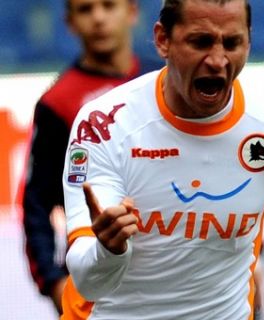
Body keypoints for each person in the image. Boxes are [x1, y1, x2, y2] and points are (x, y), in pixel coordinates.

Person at [61, 0, 264, 319]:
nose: (217, 60)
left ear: (249, 42)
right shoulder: (105, 125)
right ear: (162, 40)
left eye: (233, 42)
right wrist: (108, 251)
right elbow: (88, 284)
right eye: (200, 41)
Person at [22, 0, 162, 316]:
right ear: (70, 22)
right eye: (85, 9)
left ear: (132, 12)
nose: (98, 18)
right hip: (99, 284)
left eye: (108, 5)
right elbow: (36, 205)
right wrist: (54, 283)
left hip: (172, 273)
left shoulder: (167, 83)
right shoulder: (57, 102)